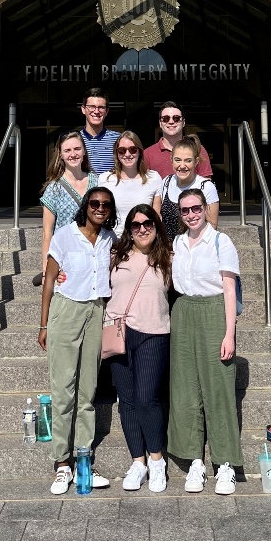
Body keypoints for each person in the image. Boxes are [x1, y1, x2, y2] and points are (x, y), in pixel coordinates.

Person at [38, 186, 117, 495]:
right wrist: (43, 323)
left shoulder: (110, 239)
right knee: (63, 391)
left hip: (96, 310)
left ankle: (83, 459)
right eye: (95, 203)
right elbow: (48, 280)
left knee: (87, 391)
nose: (100, 208)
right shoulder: (65, 236)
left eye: (106, 205)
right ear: (85, 205)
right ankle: (61, 463)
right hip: (66, 310)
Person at [167, 187, 243, 495]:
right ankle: (194, 460)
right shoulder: (177, 242)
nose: (191, 215)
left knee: (218, 389)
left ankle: (224, 464)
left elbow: (228, 289)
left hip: (213, 311)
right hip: (184, 311)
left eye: (196, 208)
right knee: (185, 389)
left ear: (205, 208)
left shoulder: (221, 241)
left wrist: (229, 333)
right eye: (185, 211)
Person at [107, 205, 173, 494]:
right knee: (128, 401)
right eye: (135, 225)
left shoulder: (169, 258)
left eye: (147, 224)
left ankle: (157, 460)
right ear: (128, 230)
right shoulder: (115, 255)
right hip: (117, 333)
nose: (142, 229)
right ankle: (139, 461)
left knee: (147, 399)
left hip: (153, 334)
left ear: (156, 227)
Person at [34, 131, 99, 287]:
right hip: (65, 261)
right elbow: (47, 232)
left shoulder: (98, 182)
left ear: (84, 151)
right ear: (61, 155)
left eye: (77, 149)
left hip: (94, 258)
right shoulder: (53, 189)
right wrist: (46, 270)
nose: (73, 154)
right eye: (67, 150)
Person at [152, 136, 219, 240]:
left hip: (194, 251)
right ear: (171, 160)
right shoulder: (166, 182)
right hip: (167, 250)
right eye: (177, 160)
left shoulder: (206, 187)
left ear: (196, 162)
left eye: (188, 161)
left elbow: (212, 227)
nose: (182, 166)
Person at [98, 131, 163, 229]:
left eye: (132, 149)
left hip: (143, 237)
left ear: (139, 151)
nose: (127, 154)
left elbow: (156, 217)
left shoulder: (153, 178)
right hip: (114, 240)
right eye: (122, 150)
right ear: (116, 153)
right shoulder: (105, 180)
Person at [143, 101, 213, 179]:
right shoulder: (147, 154)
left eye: (176, 118)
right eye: (165, 118)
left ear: (183, 122)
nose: (171, 122)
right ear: (160, 123)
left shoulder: (198, 149)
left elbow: (206, 184)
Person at [80, 87, 120, 173]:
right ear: (83, 109)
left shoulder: (118, 139)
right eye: (91, 107)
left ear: (107, 111)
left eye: (101, 107)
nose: (96, 111)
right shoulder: (74, 140)